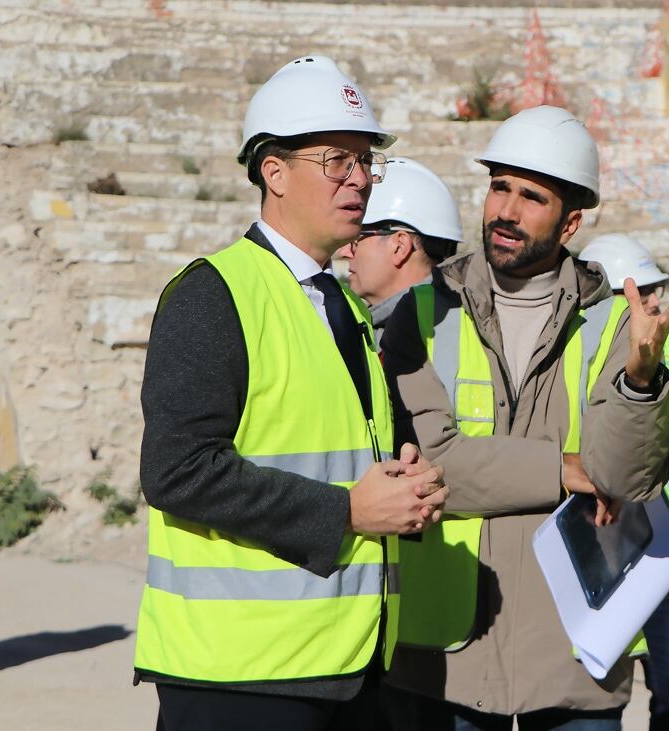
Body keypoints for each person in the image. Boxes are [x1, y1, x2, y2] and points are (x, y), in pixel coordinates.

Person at [134, 55, 447, 731]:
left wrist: (407, 480)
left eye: (367, 162)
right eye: (337, 159)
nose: (360, 178)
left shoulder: (348, 306)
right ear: (273, 171)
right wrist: (346, 512)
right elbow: (175, 470)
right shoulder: (214, 295)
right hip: (238, 679)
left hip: (346, 663)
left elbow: (335, 449)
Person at [378, 105, 669, 730]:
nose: (506, 212)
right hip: (445, 655)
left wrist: (640, 379)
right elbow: (433, 468)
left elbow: (625, 480)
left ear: (571, 221)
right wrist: (563, 469)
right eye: (499, 188)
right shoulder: (420, 315)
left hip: (576, 650)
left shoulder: (611, 324)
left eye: (531, 197)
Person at [578, 234, 669, 731]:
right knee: (596, 693)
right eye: (637, 291)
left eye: (653, 289)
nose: (651, 301)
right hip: (615, 531)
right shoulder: (582, 351)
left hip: (668, 530)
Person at [338, 156, 464, 343]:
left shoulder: (418, 337)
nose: (344, 252)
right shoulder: (454, 321)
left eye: (356, 239)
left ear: (400, 246)